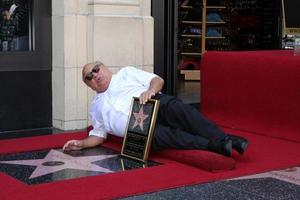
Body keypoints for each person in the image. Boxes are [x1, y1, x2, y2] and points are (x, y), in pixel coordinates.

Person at [63, 61, 249, 157]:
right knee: (163, 135)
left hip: (152, 104)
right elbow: (99, 134)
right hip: (137, 131)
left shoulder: (126, 73)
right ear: (88, 85)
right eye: (89, 76)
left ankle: (225, 139)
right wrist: (81, 143)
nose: (95, 75)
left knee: (179, 110)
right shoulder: (96, 107)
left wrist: (151, 90)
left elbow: (157, 80)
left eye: (96, 69)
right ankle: (216, 145)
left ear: (104, 67)